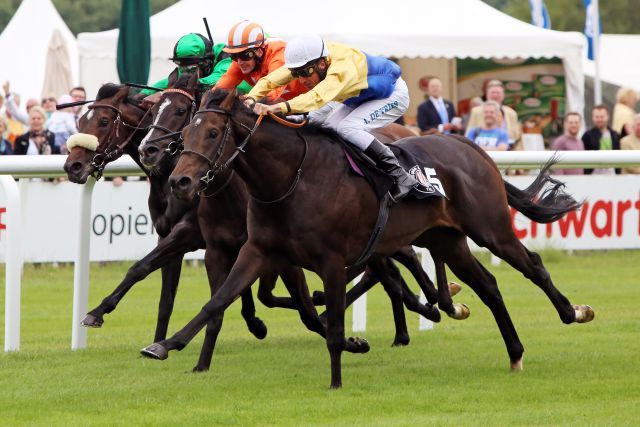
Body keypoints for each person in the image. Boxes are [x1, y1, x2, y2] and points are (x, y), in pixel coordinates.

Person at [248, 35, 425, 202]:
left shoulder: (341, 69)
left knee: (347, 128)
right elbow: (271, 80)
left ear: (322, 64)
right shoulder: (312, 60)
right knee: (327, 126)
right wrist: (251, 97)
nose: (302, 80)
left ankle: (401, 176)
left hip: (392, 94)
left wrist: (277, 108)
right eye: (297, 73)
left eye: (305, 73)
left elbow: (317, 97)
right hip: (356, 95)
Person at [141, 33, 252, 100]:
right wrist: (142, 93)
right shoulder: (188, 67)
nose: (187, 72)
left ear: (207, 62)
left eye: (191, 68)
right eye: (181, 67)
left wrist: (165, 93)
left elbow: (218, 80)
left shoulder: (228, 58)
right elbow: (170, 81)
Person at [214, 21, 307, 101]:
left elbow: (271, 94)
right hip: (283, 105)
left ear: (259, 51)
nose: (239, 62)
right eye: (234, 56)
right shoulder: (240, 61)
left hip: (308, 104)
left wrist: (243, 100)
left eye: (244, 55)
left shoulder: (279, 56)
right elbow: (220, 89)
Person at [467, 80, 521, 148]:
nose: (495, 95)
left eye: (498, 93)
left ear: (503, 95)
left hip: (507, 152)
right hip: (479, 153)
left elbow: (517, 135)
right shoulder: (476, 111)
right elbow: (469, 133)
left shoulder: (511, 113)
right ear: (487, 94)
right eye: (493, 92)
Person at [582, 104, 620, 175]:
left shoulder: (615, 135)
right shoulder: (587, 135)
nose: (599, 119)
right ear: (592, 118)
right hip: (593, 176)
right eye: (597, 117)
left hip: (613, 175)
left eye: (602, 117)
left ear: (608, 117)